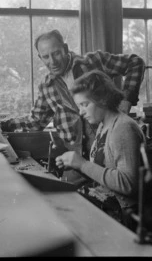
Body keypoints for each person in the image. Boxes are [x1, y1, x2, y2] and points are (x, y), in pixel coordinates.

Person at [1, 29, 145, 183]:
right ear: (40, 58)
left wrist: (126, 101)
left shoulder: (93, 62)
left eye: (56, 53)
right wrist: (3, 124)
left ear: (65, 48)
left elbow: (135, 63)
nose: (53, 61)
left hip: (109, 155)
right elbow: (35, 122)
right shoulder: (47, 87)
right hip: (77, 162)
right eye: (46, 57)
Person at [55, 69, 145, 229]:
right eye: (79, 106)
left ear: (102, 99)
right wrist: (75, 164)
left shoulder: (123, 128)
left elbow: (128, 184)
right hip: (109, 200)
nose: (81, 112)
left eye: (84, 104)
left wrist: (82, 164)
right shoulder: (104, 125)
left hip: (125, 212)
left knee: (61, 216)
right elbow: (104, 170)